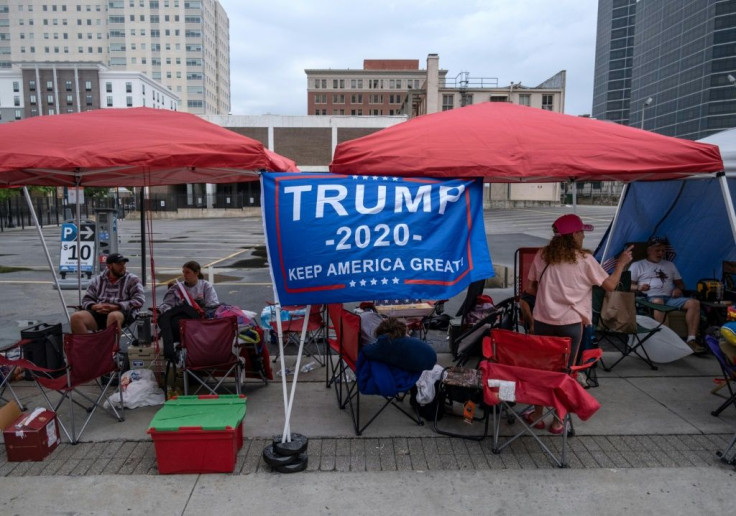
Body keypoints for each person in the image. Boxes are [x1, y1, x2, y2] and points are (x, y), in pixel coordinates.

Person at [523, 214, 633, 434]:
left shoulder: (543, 255)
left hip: (543, 321)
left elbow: (529, 288)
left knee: (543, 369)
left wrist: (549, 295)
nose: (583, 236)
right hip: (570, 325)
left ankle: (537, 414)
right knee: (565, 372)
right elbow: (610, 285)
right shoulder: (584, 260)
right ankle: (558, 420)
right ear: (573, 235)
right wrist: (620, 264)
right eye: (581, 232)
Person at [629, 236, 704, 354]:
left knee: (694, 303)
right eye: (657, 250)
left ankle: (691, 340)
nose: (661, 253)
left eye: (663, 250)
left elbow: (681, 284)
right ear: (649, 250)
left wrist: (678, 289)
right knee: (659, 302)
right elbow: (628, 286)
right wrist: (638, 287)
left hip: (670, 298)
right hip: (649, 298)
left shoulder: (670, 265)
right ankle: (667, 340)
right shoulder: (638, 265)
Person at [157, 260, 220, 359]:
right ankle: (172, 351)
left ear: (196, 273)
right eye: (183, 272)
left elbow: (213, 305)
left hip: (198, 320)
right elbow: (167, 304)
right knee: (166, 319)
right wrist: (161, 310)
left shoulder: (206, 286)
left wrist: (197, 305)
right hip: (181, 321)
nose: (184, 275)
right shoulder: (176, 288)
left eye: (187, 272)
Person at [70, 253, 145, 334]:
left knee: (113, 316)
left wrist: (117, 306)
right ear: (109, 266)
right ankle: (88, 346)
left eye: (124, 264)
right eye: (119, 264)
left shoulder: (132, 279)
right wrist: (94, 306)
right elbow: (86, 299)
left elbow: (139, 300)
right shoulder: (97, 280)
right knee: (76, 317)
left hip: (122, 312)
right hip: (100, 312)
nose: (123, 267)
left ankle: (111, 346)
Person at [362, 317, 437, 373]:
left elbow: (366, 351)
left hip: (421, 368)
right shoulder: (406, 339)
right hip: (431, 361)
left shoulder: (385, 343)